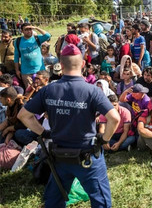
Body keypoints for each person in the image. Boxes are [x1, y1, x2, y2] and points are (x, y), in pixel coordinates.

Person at [17, 44, 120, 207]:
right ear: (83, 64)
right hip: (87, 156)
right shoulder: (92, 91)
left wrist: (43, 132)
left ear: (61, 65)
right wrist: (104, 139)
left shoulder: (48, 90)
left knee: (54, 200)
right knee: (101, 201)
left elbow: (23, 115)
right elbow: (114, 118)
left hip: (59, 155)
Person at [14, 23, 51, 89]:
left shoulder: (37, 38)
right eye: (26, 29)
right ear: (22, 31)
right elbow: (16, 56)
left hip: (39, 70)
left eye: (30, 29)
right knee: (29, 91)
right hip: (26, 72)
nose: (29, 31)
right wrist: (17, 70)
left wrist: (36, 28)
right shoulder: (18, 41)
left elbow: (47, 35)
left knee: (42, 89)